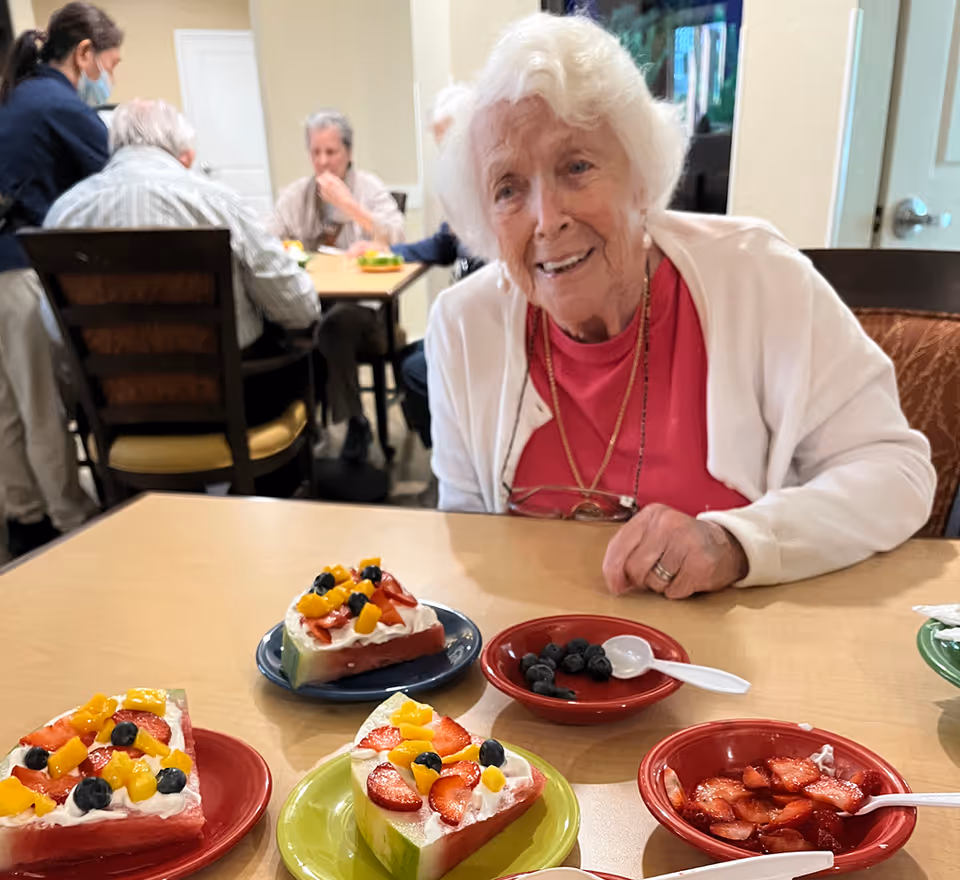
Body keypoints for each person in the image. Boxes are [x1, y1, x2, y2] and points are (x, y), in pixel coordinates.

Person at [426, 13, 936, 596]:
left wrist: (738, 543)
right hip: (546, 658)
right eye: (508, 188)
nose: (547, 220)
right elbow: (469, 534)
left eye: (577, 167)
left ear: (641, 178)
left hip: (739, 651)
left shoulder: (757, 274)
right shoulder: (462, 326)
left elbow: (896, 473)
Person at [45, 99, 321, 430]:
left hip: (118, 413)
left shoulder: (63, 213)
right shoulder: (218, 202)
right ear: (182, 149)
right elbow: (300, 309)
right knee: (308, 353)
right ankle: (259, 482)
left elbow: (56, 333)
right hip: (229, 403)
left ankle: (141, 481)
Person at [0, 2, 122, 558]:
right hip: (20, 269)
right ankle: (71, 524)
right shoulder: (58, 103)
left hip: (4, 265)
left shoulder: (20, 95)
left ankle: (24, 515)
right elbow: (119, 181)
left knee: (9, 407)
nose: (108, 79)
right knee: (43, 402)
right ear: (83, 54)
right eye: (110, 65)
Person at [349, 86, 484, 448]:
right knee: (407, 355)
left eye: (449, 141)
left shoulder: (491, 182)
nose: (445, 154)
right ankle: (441, 447)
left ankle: (453, 455)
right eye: (440, 143)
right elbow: (442, 247)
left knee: (414, 370)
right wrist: (390, 253)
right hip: (468, 323)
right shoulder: (462, 187)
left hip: (489, 327)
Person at [269, 110, 404, 462]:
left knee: (333, 328)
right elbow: (268, 241)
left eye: (331, 152)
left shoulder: (368, 188)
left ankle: (356, 422)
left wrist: (350, 207)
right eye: (316, 153)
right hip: (311, 299)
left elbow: (397, 236)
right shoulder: (297, 195)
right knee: (285, 327)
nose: (323, 161)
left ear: (348, 152)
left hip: (364, 308)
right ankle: (299, 427)